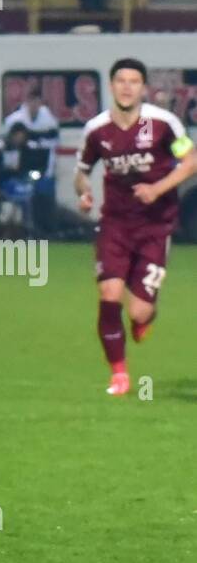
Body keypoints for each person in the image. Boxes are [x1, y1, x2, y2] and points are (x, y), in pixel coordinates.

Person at [76, 57, 197, 396]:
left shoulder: (163, 124)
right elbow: (81, 172)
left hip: (155, 227)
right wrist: (84, 192)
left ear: (143, 88)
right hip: (114, 225)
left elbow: (191, 161)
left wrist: (156, 189)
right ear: (111, 86)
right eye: (120, 81)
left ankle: (143, 320)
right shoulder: (97, 130)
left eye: (133, 81)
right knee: (108, 294)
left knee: (140, 310)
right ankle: (120, 375)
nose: (127, 87)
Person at [3, 88, 59, 231]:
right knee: (23, 195)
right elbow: (10, 145)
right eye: (31, 101)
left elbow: (53, 142)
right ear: (26, 102)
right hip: (19, 169)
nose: (34, 104)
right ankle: (23, 226)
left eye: (37, 101)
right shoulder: (14, 120)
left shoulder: (49, 120)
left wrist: (34, 140)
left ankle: (46, 228)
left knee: (45, 195)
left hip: (43, 168)